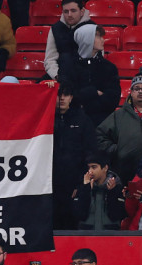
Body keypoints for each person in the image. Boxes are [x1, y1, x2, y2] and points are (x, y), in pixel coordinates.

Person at [53, 83, 96, 230]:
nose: (62, 98)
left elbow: (90, 152)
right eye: (58, 95)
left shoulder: (83, 120)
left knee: (72, 224)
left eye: (65, 95)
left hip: (73, 184)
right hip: (50, 184)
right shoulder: (46, 120)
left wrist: (80, 183)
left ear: (71, 97)